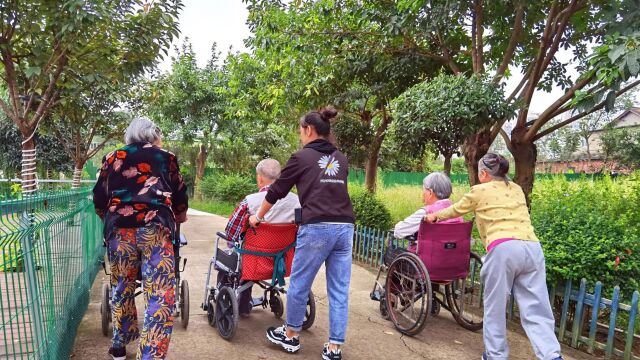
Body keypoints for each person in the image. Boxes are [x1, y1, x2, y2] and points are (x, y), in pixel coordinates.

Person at [426, 153, 563, 360]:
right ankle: (551, 356)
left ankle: (495, 355)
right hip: (532, 247)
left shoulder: (479, 190)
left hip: (503, 248)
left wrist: (435, 216)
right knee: (537, 307)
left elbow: (456, 210)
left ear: (483, 173)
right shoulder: (516, 189)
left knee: (495, 308)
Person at [249, 107, 354, 360]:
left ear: (308, 129)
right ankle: (334, 348)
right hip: (345, 227)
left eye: (300, 131)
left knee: (299, 283)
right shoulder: (341, 158)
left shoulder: (301, 157)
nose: (300, 136)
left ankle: (291, 336)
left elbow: (276, 192)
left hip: (317, 226)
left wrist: (258, 217)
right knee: (339, 290)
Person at [93, 117, 188, 360]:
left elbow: (99, 197)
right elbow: (179, 193)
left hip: (119, 231)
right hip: (156, 229)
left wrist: (109, 218)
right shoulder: (165, 157)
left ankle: (119, 346)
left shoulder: (113, 158)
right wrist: (179, 215)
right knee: (159, 294)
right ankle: (150, 356)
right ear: (153, 134)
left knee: (122, 287)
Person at [220, 158, 300, 316]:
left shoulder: (250, 202)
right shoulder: (297, 201)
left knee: (224, 261)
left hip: (253, 262)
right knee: (248, 255)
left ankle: (237, 305)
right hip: (282, 260)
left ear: (260, 178)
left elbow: (230, 232)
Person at [393, 172, 462, 252]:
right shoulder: (457, 212)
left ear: (430, 192)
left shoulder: (426, 213)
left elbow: (399, 231)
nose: (422, 194)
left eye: (423, 190)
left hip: (427, 259)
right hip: (453, 258)